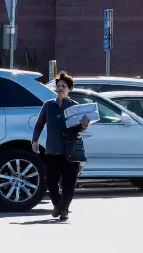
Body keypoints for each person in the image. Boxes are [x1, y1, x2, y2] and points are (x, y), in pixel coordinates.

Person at [31, 71, 89, 221]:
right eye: (58, 85)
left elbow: (79, 129)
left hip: (70, 150)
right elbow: (39, 125)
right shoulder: (48, 105)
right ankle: (58, 205)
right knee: (51, 181)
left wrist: (84, 125)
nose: (60, 88)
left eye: (64, 86)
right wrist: (35, 140)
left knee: (69, 183)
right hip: (53, 150)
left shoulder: (75, 106)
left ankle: (64, 209)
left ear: (69, 89)